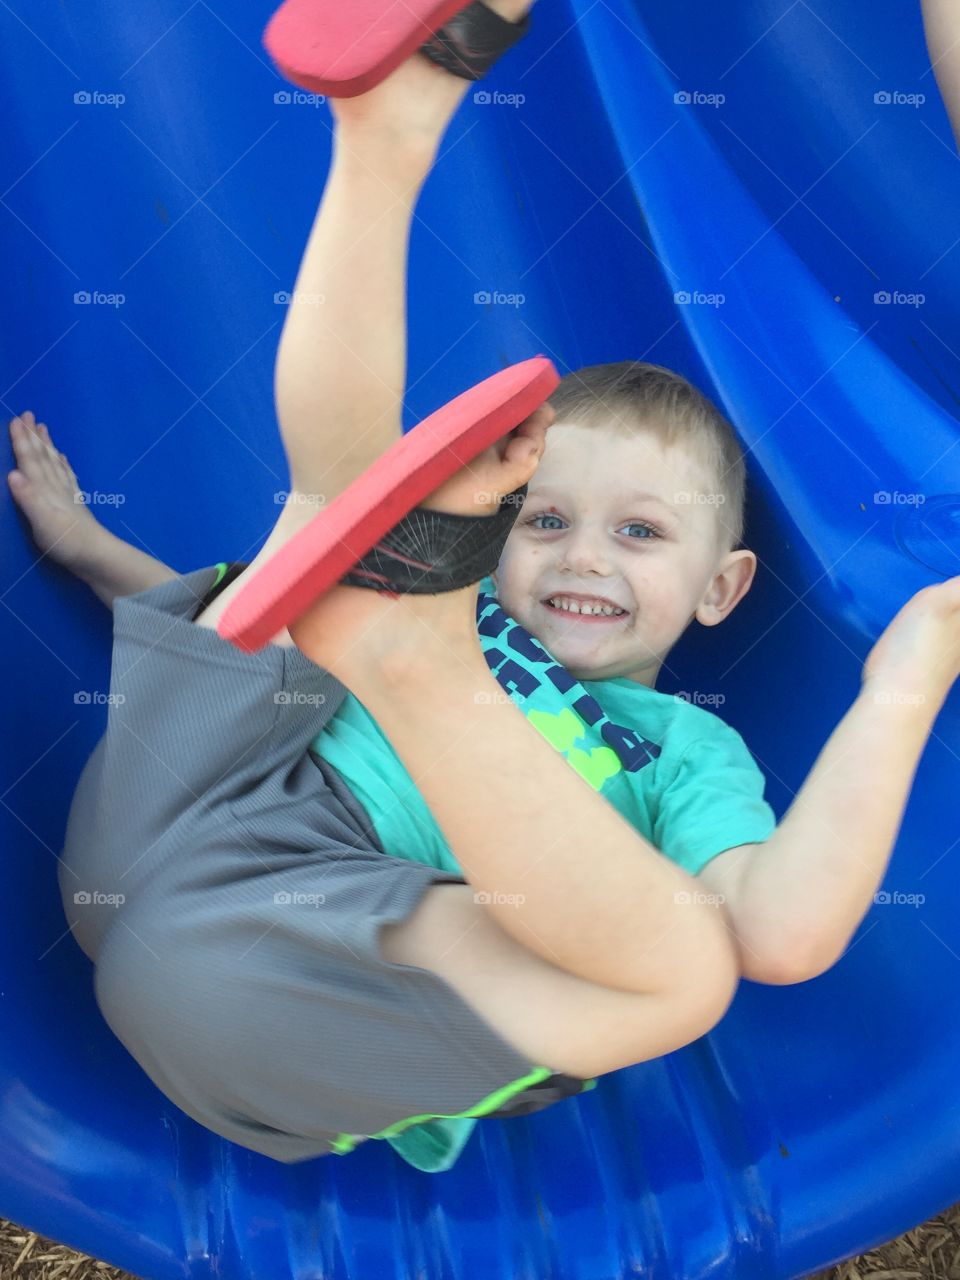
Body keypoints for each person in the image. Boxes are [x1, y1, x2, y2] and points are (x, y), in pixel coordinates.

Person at [8, 0, 960, 1175]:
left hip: (300, 967)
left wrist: (904, 681)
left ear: (726, 586)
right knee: (330, 529)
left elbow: (785, 928)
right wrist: (88, 549)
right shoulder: (448, 597)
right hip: (180, 807)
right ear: (496, 537)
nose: (583, 556)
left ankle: (414, 652)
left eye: (641, 532)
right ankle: (383, 137)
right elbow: (254, 626)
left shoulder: (678, 755)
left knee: (702, 956)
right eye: (544, 518)